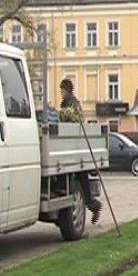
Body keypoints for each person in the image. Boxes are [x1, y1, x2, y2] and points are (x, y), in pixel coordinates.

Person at [59, 78, 102, 223]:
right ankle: (91, 204)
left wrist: (62, 114)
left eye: (62, 91)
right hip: (72, 146)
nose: (61, 93)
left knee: (81, 177)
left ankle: (91, 203)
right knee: (81, 177)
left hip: (73, 145)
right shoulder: (69, 103)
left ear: (67, 91)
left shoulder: (72, 103)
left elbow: (75, 117)